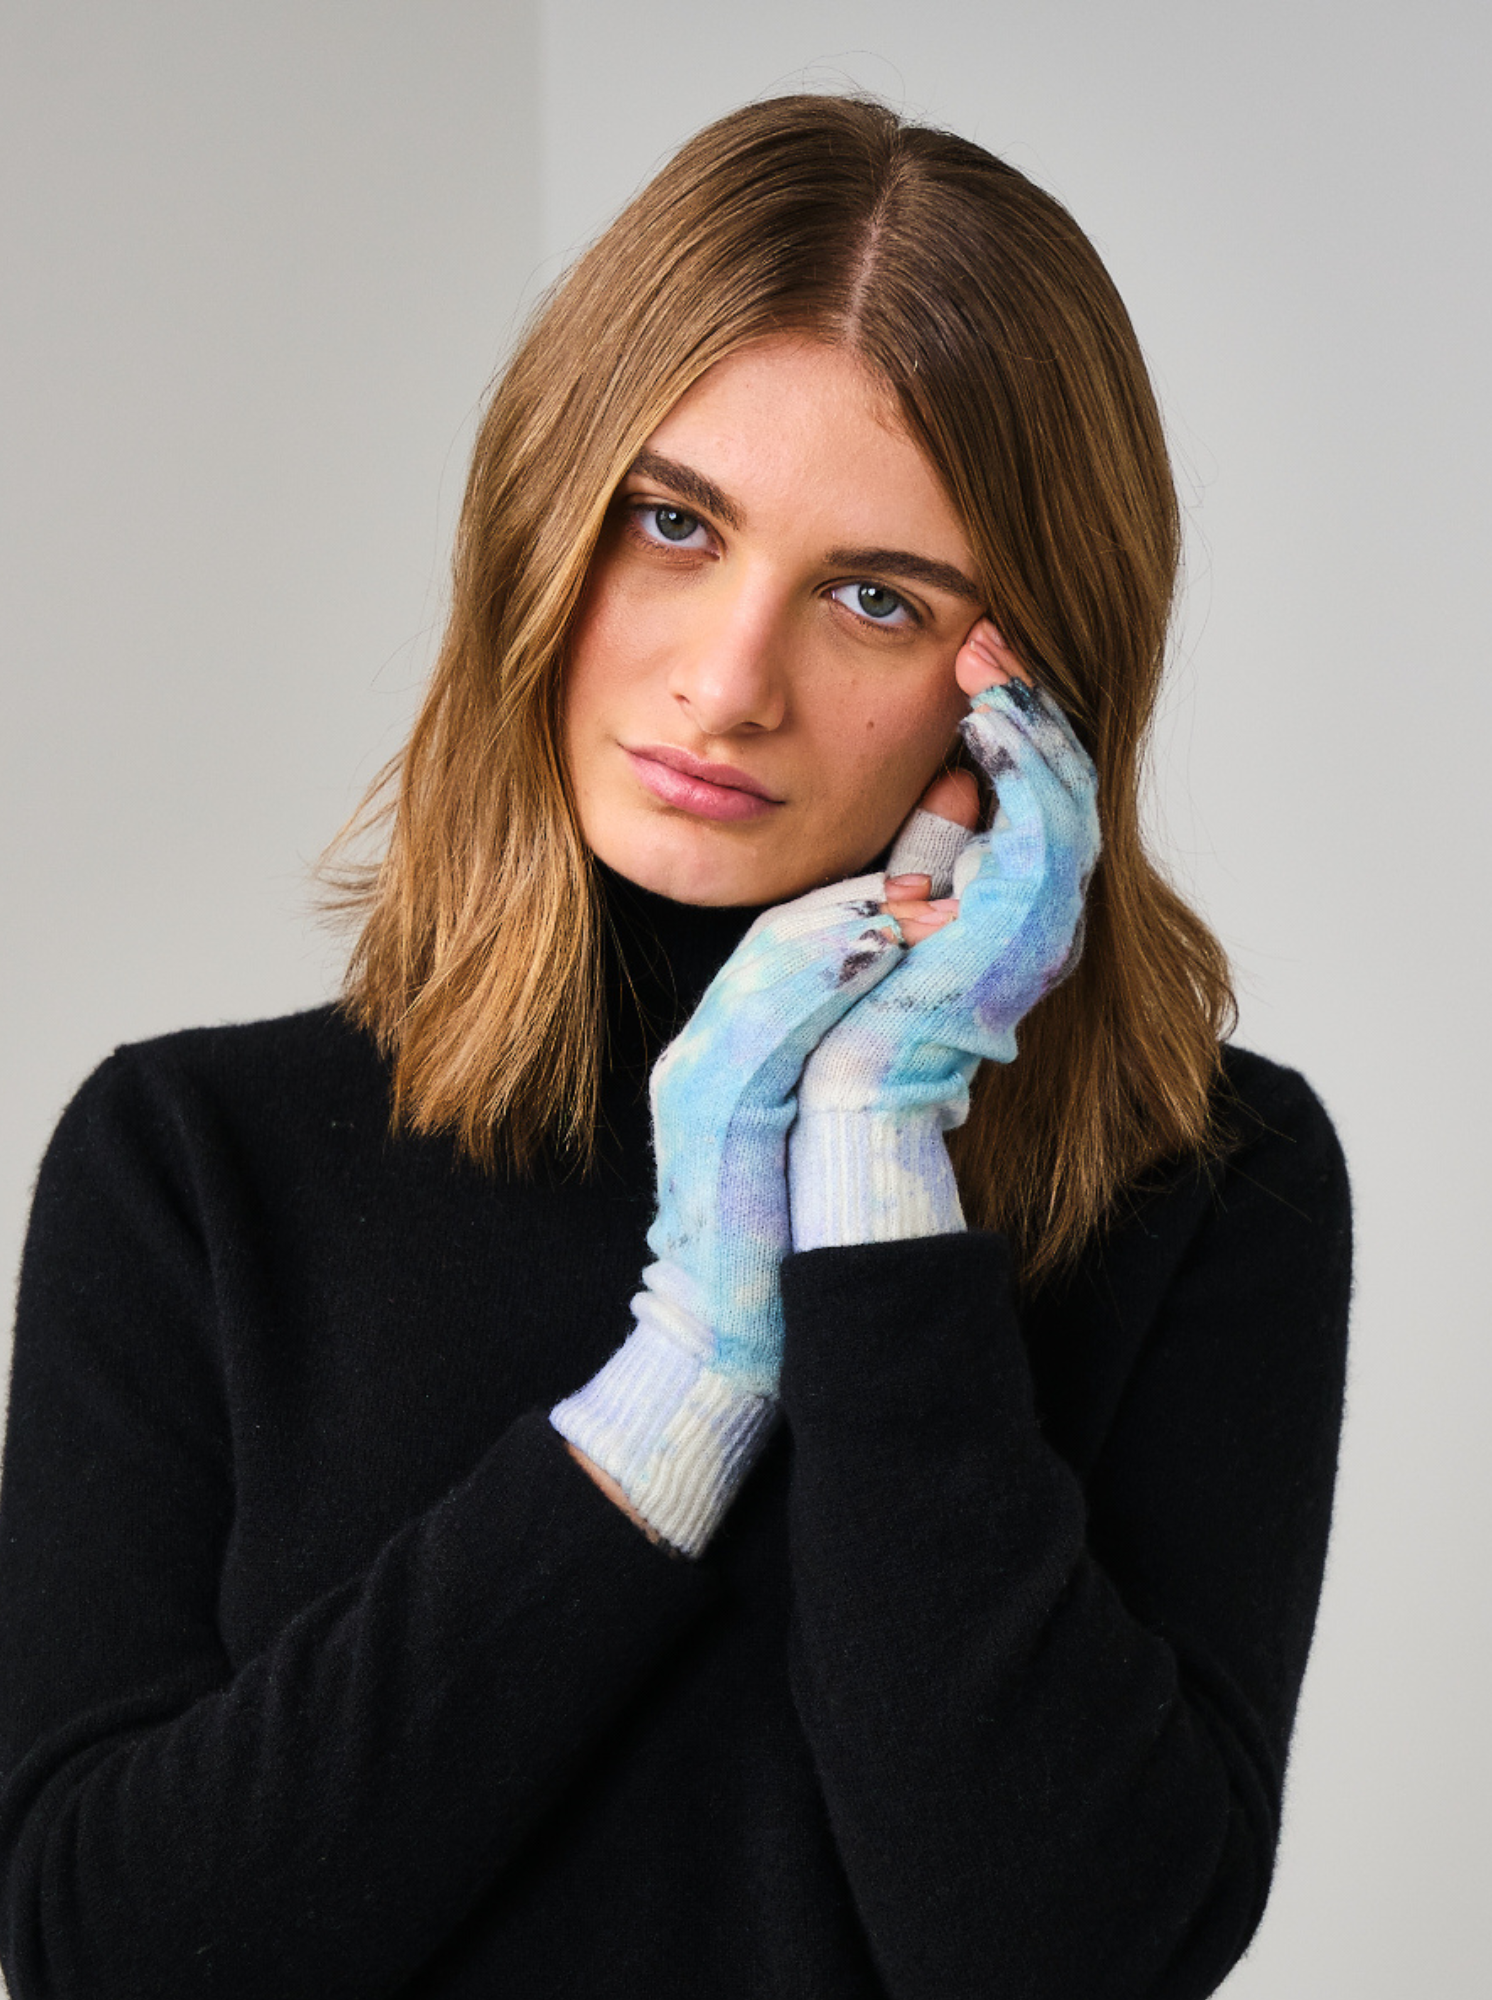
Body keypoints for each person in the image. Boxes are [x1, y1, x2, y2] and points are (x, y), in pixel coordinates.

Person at [0, 93, 1352, 2000]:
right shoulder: (194, 1162)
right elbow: (107, 1957)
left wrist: (880, 1166)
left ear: (1025, 688)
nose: (727, 684)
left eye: (874, 597)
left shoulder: (1209, 1187)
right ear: (548, 518)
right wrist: (691, 1372)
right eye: (673, 523)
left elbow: (1060, 1958)